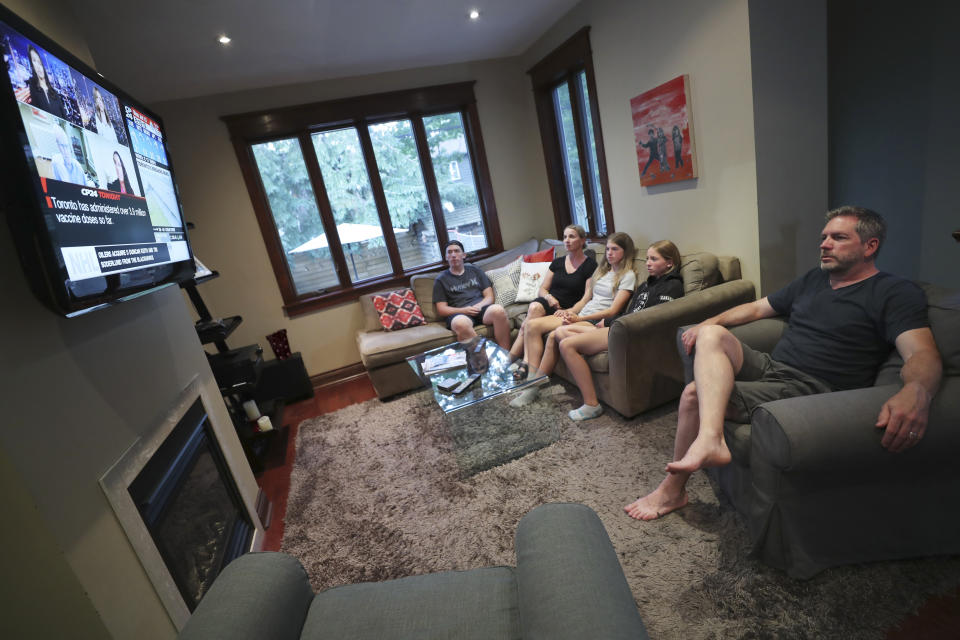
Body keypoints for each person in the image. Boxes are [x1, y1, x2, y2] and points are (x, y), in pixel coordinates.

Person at [625, 206, 942, 521]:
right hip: (772, 366)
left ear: (869, 246)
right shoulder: (815, 279)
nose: (824, 244)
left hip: (811, 387)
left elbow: (921, 352)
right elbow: (755, 309)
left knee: (693, 395)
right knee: (711, 335)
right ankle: (711, 438)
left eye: (838, 237)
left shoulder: (894, 292)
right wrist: (709, 320)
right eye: (824, 237)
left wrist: (917, 390)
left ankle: (674, 490)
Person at [555, 240, 684, 421]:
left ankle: (591, 404)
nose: (648, 263)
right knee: (560, 332)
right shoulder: (646, 285)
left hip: (631, 335)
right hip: (619, 329)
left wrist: (615, 325)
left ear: (669, 262)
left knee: (567, 345)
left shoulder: (672, 286)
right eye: (647, 258)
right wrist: (607, 321)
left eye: (654, 259)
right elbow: (629, 311)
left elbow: (656, 318)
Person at [510, 232, 637, 407]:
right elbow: (585, 299)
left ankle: (533, 388)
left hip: (592, 320)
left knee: (555, 335)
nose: (609, 253)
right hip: (581, 314)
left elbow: (613, 310)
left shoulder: (627, 275)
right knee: (531, 325)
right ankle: (531, 378)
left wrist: (580, 317)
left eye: (615, 249)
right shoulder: (602, 271)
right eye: (607, 248)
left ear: (626, 251)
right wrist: (568, 312)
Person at [508, 224, 598, 360]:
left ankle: (518, 362)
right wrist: (549, 297)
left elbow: (586, 298)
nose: (567, 240)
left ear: (582, 240)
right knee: (534, 307)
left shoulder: (590, 265)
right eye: (565, 237)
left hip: (568, 307)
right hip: (550, 302)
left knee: (526, 326)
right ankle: (519, 362)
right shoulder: (557, 262)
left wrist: (570, 311)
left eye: (572, 237)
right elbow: (542, 289)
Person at [433, 240, 511, 349]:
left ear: (463, 255)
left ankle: (506, 357)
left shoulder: (475, 270)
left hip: (480, 309)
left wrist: (479, 306)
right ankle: (484, 360)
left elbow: (489, 296)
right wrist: (463, 310)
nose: (453, 255)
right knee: (461, 324)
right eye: (449, 252)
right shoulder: (441, 280)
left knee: (498, 310)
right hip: (459, 313)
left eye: (456, 251)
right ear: (446, 257)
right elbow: (441, 309)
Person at [26, 45, 66, 120]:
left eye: (39, 62)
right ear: (32, 65)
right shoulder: (33, 89)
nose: (38, 66)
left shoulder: (54, 93)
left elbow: (65, 117)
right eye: (34, 61)